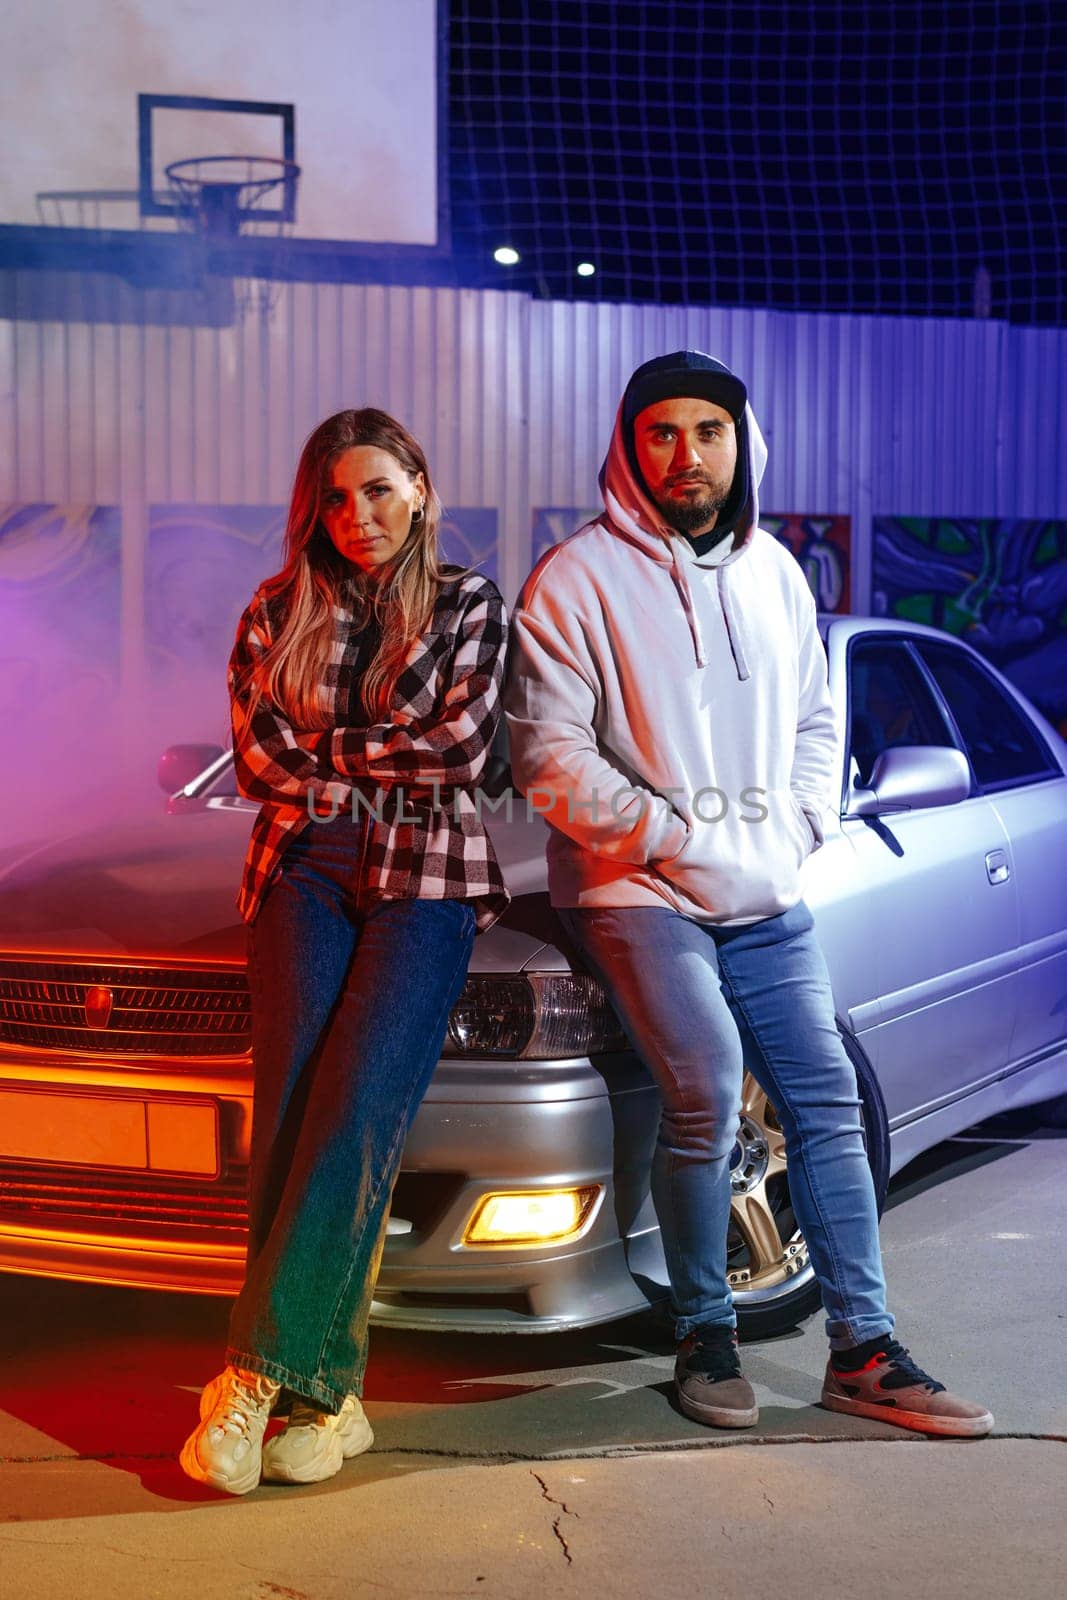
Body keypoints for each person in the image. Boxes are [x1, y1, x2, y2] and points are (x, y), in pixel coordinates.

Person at [503, 350, 993, 1438]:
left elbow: (821, 722)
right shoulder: (572, 579)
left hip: (763, 894)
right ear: (628, 448)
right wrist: (673, 834)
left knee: (820, 1095)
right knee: (706, 1090)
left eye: (707, 431)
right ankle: (703, 1333)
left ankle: (862, 1350)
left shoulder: (775, 571)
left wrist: (799, 825)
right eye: (661, 433)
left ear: (742, 442)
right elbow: (547, 754)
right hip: (634, 890)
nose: (686, 454)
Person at [180, 408, 510, 1492]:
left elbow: (461, 746)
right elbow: (260, 762)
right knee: (288, 1117)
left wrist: (328, 751)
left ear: (418, 485)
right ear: (310, 508)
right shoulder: (276, 608)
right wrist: (368, 759)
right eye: (334, 497)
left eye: (377, 489)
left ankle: (248, 1378)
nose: (357, 516)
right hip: (302, 874)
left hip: (426, 883)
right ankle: (332, 1393)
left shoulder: (467, 602)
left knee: (358, 1108)